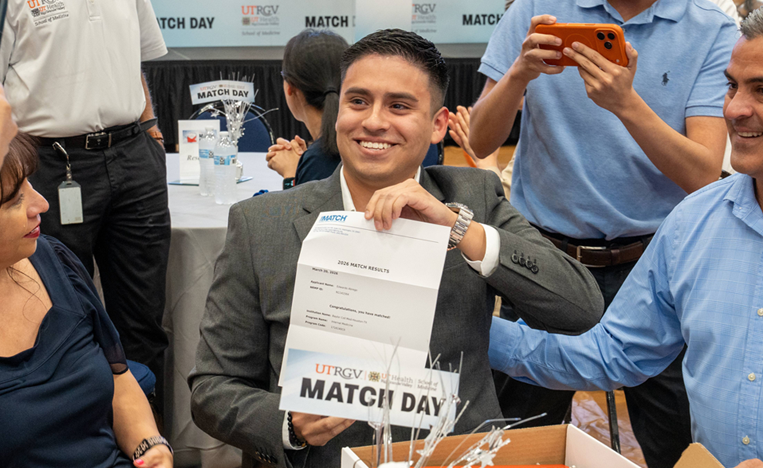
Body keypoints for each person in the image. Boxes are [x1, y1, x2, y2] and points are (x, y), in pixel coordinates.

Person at [189, 29, 604, 468]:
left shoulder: (473, 199)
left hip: (455, 456)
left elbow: (580, 308)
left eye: (400, 106)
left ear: (438, 125)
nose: (373, 121)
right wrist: (288, 425)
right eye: (358, 101)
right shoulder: (262, 224)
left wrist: (459, 227)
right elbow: (213, 387)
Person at [490, 9, 763, 468]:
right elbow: (612, 353)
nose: (735, 109)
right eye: (731, 86)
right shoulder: (693, 225)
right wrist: (464, 328)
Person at [0, 0, 171, 411]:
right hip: (48, 162)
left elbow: (135, 61)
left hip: (133, 153)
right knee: (58, 313)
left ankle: (149, 443)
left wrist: (151, 129)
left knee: (144, 318)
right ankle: (73, 440)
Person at [0, 134, 173, 468]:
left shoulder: (54, 261)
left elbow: (119, 377)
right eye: (14, 200)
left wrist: (150, 446)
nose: (41, 205)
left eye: (30, 186)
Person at [266, 29, 349, 189]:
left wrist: (291, 175)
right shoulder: (350, 144)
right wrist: (303, 164)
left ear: (290, 87)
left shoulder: (318, 159)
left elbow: (300, 214)